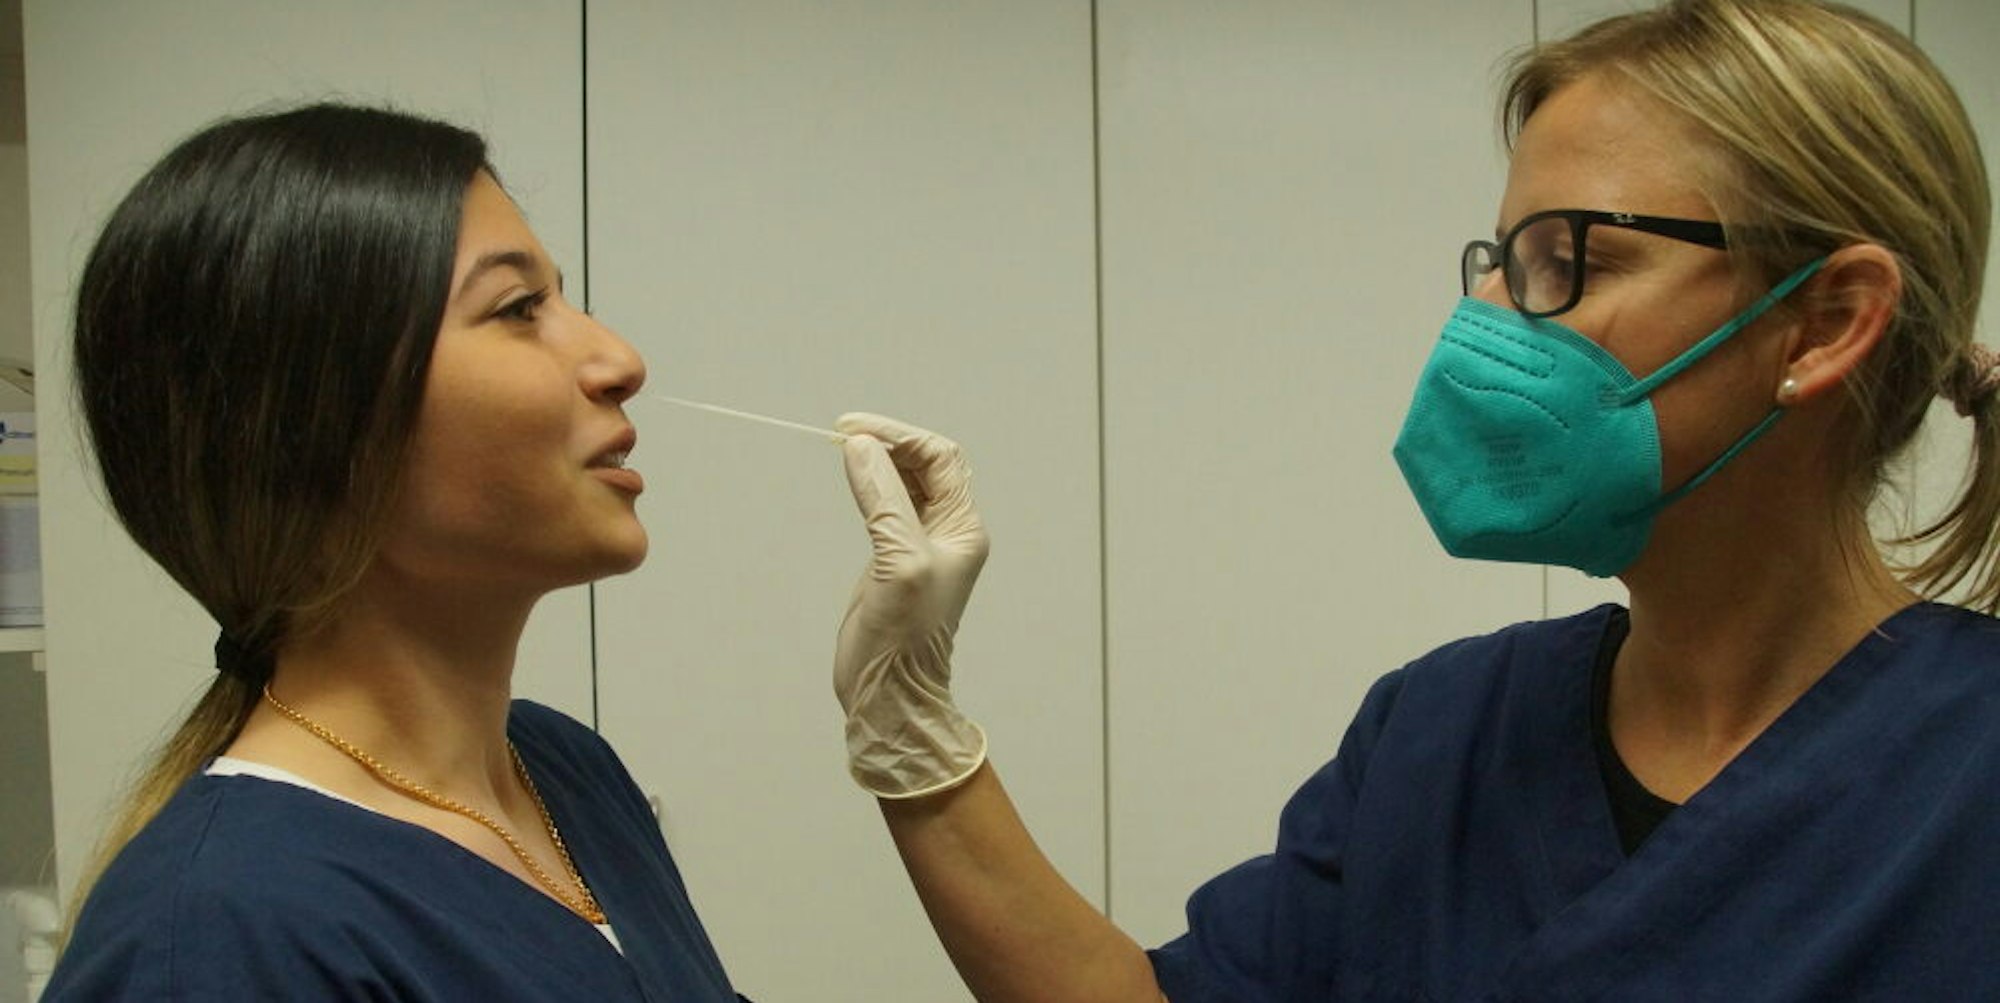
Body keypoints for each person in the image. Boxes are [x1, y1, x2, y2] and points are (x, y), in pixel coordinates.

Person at [827, 1, 2000, 999]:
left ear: (1825, 320)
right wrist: (912, 730)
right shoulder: (1447, 729)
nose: (1484, 321)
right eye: (1500, 262)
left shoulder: (1966, 768)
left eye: (1566, 262)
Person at [44, 104, 748, 1000]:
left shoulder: (565, 771)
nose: (619, 358)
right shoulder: (223, 936)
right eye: (519, 308)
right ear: (315, 425)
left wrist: (909, 768)